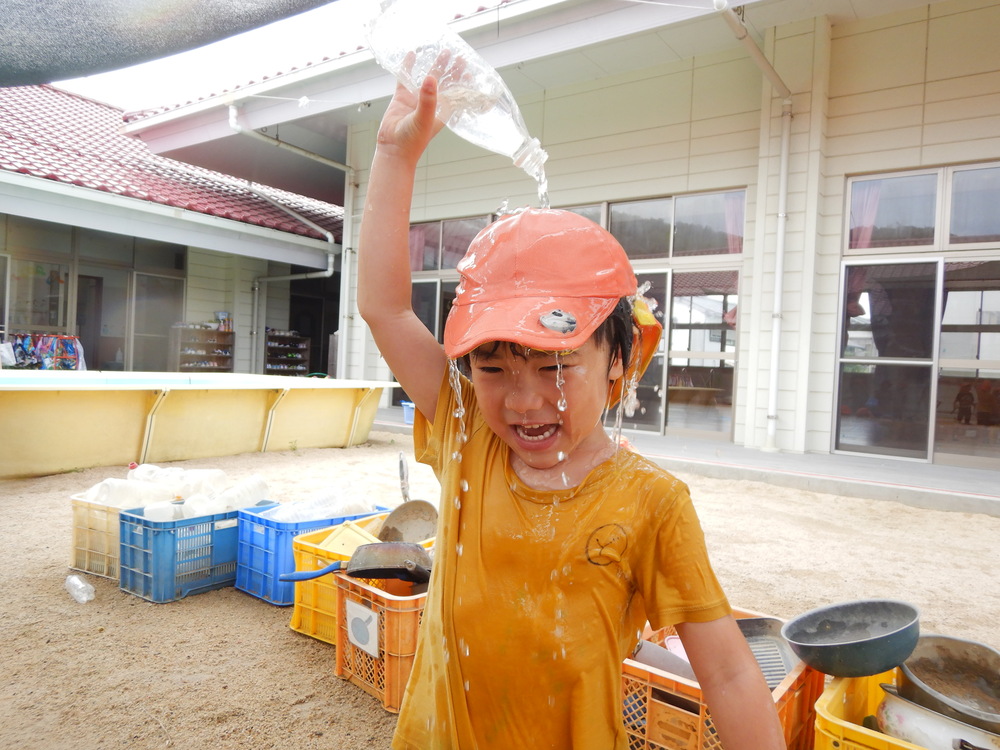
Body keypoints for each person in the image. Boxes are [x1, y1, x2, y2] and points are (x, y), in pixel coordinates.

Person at [358, 73, 785, 750]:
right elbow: (384, 306)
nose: (524, 401)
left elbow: (730, 674)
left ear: (618, 361)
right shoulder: (469, 432)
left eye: (555, 367)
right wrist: (395, 155)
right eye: (492, 369)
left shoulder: (653, 504)